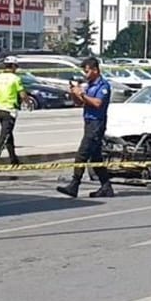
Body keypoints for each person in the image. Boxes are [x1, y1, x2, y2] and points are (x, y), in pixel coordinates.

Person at [56, 57, 115, 198]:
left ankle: (74, 185)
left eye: (87, 71)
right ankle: (106, 186)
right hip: (88, 122)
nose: (85, 74)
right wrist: (74, 93)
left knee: (82, 154)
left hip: (97, 123)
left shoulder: (103, 86)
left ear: (95, 70)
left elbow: (97, 103)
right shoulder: (89, 85)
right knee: (95, 158)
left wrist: (81, 93)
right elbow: (81, 103)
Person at [0, 56, 32, 165]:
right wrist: (28, 102)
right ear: (12, 66)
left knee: (8, 134)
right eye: (16, 66)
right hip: (10, 110)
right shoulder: (15, 79)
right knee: (4, 136)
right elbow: (22, 94)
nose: (16, 69)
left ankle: (14, 160)